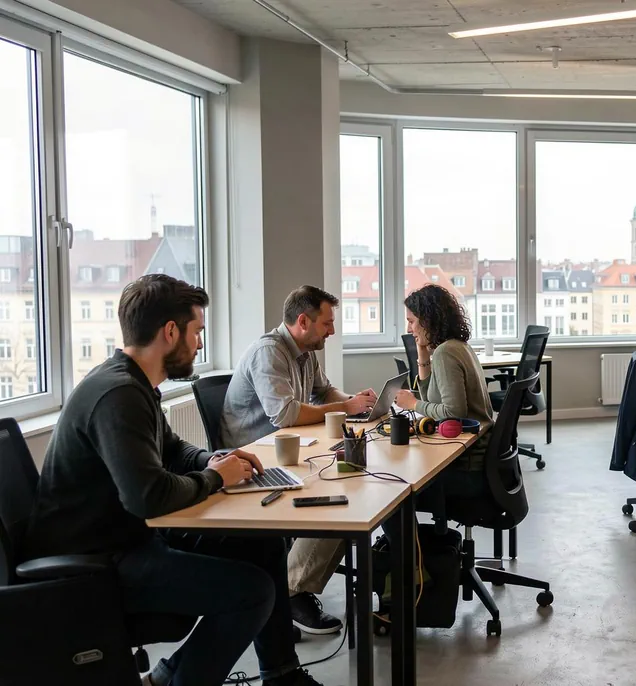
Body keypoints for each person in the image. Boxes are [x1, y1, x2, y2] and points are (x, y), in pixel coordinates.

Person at [22, 275, 324, 686]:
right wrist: (214, 478)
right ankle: (174, 680)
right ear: (169, 332)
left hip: (128, 537)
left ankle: (280, 674)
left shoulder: (134, 384)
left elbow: (174, 449)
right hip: (99, 560)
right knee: (251, 593)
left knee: (262, 539)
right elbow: (149, 497)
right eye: (197, 331)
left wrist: (214, 458)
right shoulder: (118, 395)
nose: (200, 343)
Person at [221, 285, 378, 635]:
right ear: (303, 321)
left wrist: (352, 400)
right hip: (257, 461)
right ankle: (291, 592)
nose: (332, 331)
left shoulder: (307, 352)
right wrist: (345, 408)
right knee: (342, 504)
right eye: (327, 323)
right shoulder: (269, 352)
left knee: (352, 485)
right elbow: (285, 415)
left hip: (289, 453)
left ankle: (297, 583)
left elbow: (324, 391)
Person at [391, 284, 495, 515]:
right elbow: (431, 397)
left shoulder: (445, 353)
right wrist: (422, 351)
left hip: (467, 468)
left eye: (412, 321)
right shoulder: (456, 346)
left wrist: (412, 404)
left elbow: (453, 411)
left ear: (428, 320)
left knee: (392, 494)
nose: (409, 328)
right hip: (478, 459)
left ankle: (411, 551)